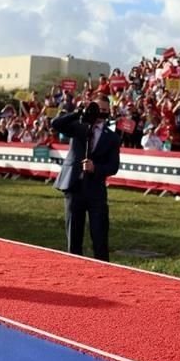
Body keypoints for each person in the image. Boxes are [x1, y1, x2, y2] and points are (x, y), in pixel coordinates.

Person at [51, 96, 121, 261]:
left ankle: (103, 269)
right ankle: (75, 268)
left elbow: (113, 167)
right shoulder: (78, 127)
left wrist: (95, 168)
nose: (100, 114)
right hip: (74, 186)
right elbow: (56, 124)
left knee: (99, 234)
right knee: (74, 234)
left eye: (104, 111)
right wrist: (78, 112)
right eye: (97, 109)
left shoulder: (112, 137)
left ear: (109, 112)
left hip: (96, 190)